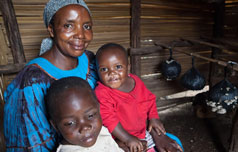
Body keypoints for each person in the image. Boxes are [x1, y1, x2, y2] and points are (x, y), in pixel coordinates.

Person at [3, 0, 98, 151]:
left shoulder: (91, 61)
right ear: (52, 30)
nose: (80, 35)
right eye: (68, 25)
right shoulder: (30, 83)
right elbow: (29, 144)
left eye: (86, 27)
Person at [94, 43, 184, 152]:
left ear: (128, 67)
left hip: (143, 132)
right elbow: (109, 120)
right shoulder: (102, 92)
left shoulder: (135, 81)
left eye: (118, 67)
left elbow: (149, 99)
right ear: (97, 72)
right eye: (104, 69)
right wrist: (127, 138)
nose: (112, 73)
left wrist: (154, 117)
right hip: (120, 138)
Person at [45, 77, 123, 152]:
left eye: (91, 115)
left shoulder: (102, 132)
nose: (85, 127)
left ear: (98, 109)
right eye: (70, 123)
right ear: (55, 126)